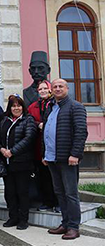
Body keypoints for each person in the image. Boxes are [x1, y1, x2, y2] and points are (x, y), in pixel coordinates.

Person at [42, 79, 88, 240]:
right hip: (52, 158)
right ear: (51, 90)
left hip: (68, 158)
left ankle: (74, 227)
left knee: (70, 193)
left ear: (67, 88)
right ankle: (65, 223)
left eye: (61, 86)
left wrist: (75, 154)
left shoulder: (76, 107)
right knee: (60, 193)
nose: (57, 89)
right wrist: (45, 155)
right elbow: (47, 132)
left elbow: (81, 132)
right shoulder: (51, 107)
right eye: (54, 87)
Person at [0, 94, 37, 230]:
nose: (16, 108)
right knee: (9, 192)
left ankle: (23, 219)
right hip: (7, 163)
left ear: (23, 107)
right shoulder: (5, 120)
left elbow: (28, 138)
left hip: (22, 162)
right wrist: (1, 149)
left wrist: (12, 151)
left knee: (22, 192)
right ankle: (13, 217)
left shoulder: (28, 120)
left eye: (18, 105)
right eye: (13, 106)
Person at [27, 80, 58, 212]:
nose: (43, 91)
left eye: (45, 88)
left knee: (55, 177)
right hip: (38, 147)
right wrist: (37, 125)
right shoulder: (33, 106)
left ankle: (57, 202)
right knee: (42, 177)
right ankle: (47, 201)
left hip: (52, 146)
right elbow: (28, 120)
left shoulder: (55, 104)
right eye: (40, 89)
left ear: (50, 90)